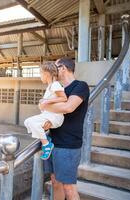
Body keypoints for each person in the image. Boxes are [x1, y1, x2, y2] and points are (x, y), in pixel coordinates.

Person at [40, 57, 90, 200]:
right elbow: (45, 113)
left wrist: (45, 104)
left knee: (69, 188)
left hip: (68, 145)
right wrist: (45, 107)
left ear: (63, 68)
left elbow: (69, 107)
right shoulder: (57, 89)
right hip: (52, 141)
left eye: (55, 67)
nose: (53, 71)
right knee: (55, 182)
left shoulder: (80, 86)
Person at [24, 63, 67, 160]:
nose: (40, 76)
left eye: (40, 73)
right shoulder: (50, 87)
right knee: (27, 122)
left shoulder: (55, 84)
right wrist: (43, 102)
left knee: (31, 122)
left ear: (47, 74)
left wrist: (47, 101)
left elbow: (64, 98)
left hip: (54, 117)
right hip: (48, 115)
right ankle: (46, 140)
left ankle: (46, 144)